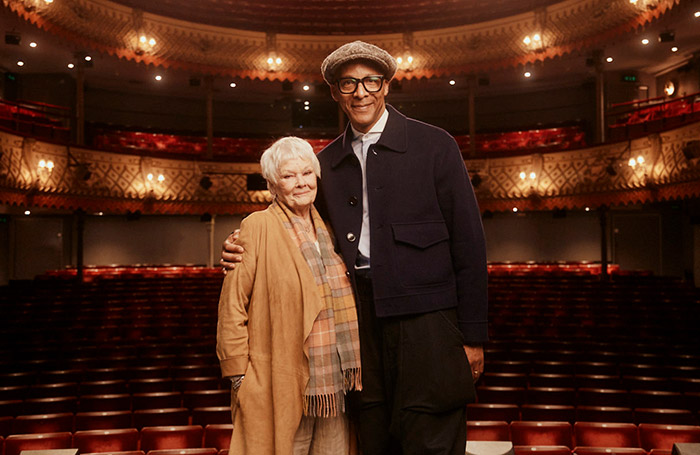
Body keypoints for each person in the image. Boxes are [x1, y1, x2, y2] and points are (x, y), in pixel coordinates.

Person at [221, 41, 488, 455]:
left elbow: (470, 247)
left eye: (370, 81)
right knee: (373, 435)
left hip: (429, 324)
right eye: (348, 84)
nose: (360, 92)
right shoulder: (325, 162)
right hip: (360, 320)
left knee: (431, 439)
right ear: (335, 93)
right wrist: (241, 243)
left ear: (386, 87)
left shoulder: (435, 145)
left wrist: (473, 336)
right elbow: (297, 222)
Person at [216, 136, 362, 455]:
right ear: (272, 185)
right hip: (277, 384)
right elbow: (232, 308)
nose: (300, 183)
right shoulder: (256, 227)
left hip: (334, 386)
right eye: (289, 175)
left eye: (307, 173)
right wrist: (239, 376)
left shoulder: (334, 227)